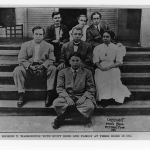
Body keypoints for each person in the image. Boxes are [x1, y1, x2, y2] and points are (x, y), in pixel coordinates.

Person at [13, 26, 57, 107]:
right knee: (17, 69)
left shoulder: (49, 46)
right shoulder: (25, 45)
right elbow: (21, 59)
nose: (38, 36)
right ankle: (21, 94)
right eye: (36, 34)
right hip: (29, 69)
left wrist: (43, 66)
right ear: (33, 35)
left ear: (43, 36)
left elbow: (51, 59)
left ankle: (49, 94)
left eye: (40, 34)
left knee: (53, 68)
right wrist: (29, 66)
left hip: (43, 70)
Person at [52, 52, 96, 129]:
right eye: (73, 60)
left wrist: (83, 97)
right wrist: (67, 98)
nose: (75, 63)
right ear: (69, 61)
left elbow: (91, 88)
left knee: (90, 106)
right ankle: (80, 117)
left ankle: (63, 117)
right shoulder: (62, 72)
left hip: (81, 96)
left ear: (81, 61)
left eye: (77, 60)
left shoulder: (87, 72)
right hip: (67, 96)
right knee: (56, 103)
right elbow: (60, 88)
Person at [93, 30, 131, 107]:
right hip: (101, 66)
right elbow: (96, 61)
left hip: (112, 65)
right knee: (99, 73)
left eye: (107, 37)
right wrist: (101, 68)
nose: (105, 38)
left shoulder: (116, 47)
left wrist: (110, 67)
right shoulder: (98, 47)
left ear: (111, 38)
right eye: (104, 37)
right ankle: (104, 98)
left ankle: (113, 97)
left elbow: (119, 62)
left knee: (113, 73)